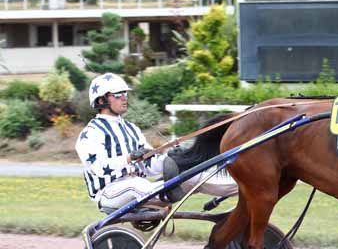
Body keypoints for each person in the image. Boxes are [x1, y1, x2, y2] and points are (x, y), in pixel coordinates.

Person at [75, 73, 237, 212]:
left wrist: (171, 158)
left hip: (142, 188)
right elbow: (98, 168)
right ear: (102, 99)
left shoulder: (131, 129)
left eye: (125, 93)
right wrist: (129, 158)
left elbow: (149, 168)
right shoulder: (90, 134)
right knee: (136, 185)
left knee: (194, 176)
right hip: (109, 193)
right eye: (118, 94)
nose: (124, 97)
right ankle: (167, 192)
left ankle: (241, 187)